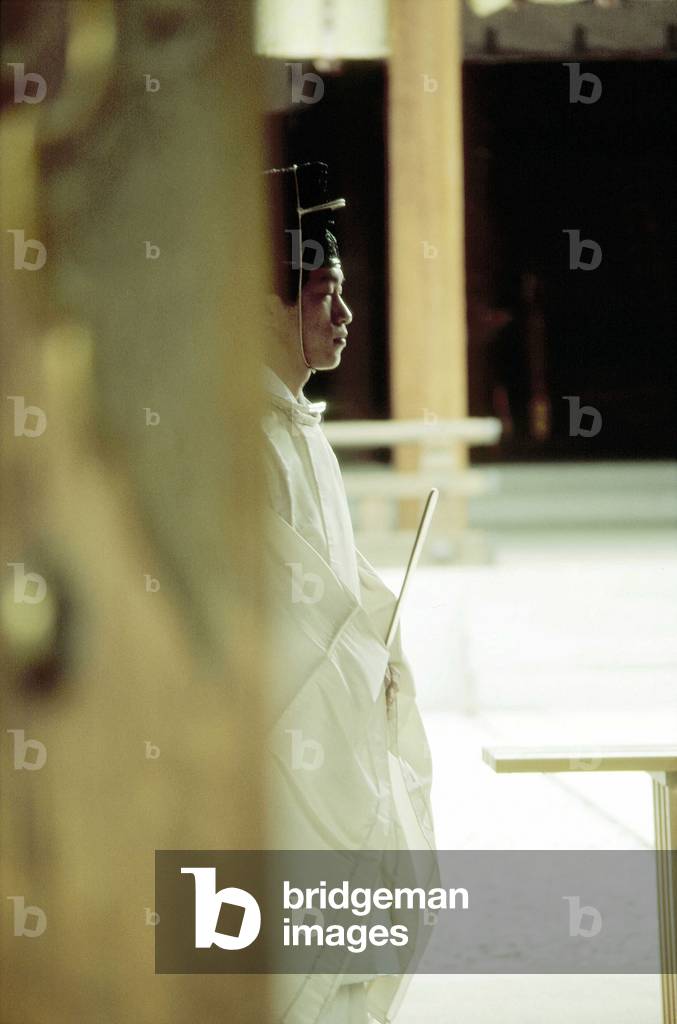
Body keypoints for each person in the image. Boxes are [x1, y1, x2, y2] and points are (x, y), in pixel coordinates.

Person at [261, 162, 437, 1024]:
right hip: (284, 748)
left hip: (338, 727)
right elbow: (279, 618)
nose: (345, 315)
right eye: (323, 294)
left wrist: (381, 644)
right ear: (267, 307)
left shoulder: (300, 432)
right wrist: (364, 654)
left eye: (342, 292)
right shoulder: (243, 440)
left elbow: (337, 588)